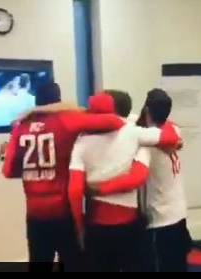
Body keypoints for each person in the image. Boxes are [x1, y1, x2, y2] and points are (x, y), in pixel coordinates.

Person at [2, 83, 124, 272]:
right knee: (74, 263)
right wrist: (82, 111)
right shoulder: (67, 119)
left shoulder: (21, 126)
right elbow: (114, 121)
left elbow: (8, 171)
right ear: (58, 99)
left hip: (34, 214)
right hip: (63, 212)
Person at [67, 90, 182, 272]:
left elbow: (74, 191)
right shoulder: (134, 133)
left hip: (96, 222)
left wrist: (79, 228)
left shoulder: (81, 142)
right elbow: (171, 139)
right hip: (129, 222)